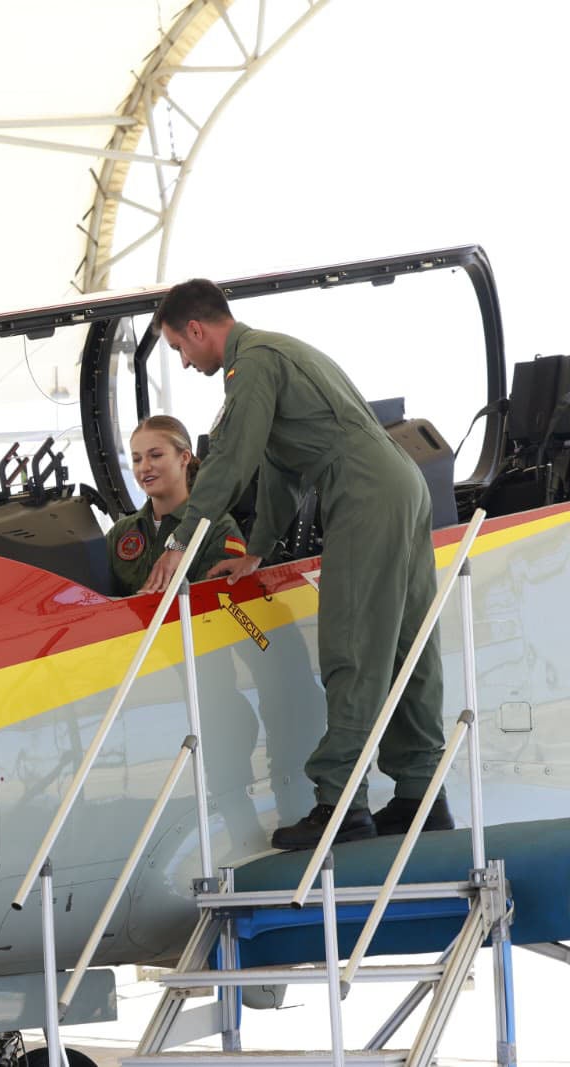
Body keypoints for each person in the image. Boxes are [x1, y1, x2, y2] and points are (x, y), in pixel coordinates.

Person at [140, 279, 449, 851]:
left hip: (361, 494)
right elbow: (281, 470)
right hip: (399, 484)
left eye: (180, 349)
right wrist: (255, 551)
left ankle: (340, 806)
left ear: (198, 330)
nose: (183, 362)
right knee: (408, 644)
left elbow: (232, 461)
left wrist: (180, 541)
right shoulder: (277, 352)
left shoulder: (252, 365)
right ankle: (420, 795)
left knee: (351, 647)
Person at [106, 415, 246, 596]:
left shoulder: (218, 529)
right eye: (137, 459)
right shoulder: (120, 532)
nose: (144, 467)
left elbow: (220, 608)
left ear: (184, 457)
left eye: (155, 455)